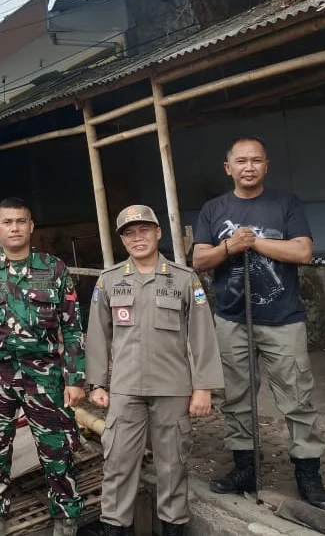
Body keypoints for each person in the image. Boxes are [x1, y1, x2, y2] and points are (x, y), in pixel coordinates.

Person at [192, 137, 325, 512]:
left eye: (256, 160)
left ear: (266, 165)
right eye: (241, 161)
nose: (249, 167)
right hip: (230, 318)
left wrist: (252, 244)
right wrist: (228, 249)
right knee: (237, 397)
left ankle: (308, 474)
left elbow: (302, 251)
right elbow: (200, 260)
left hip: (282, 318)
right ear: (229, 168)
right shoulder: (212, 209)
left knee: (297, 397)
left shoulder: (285, 203)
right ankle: (245, 470)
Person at [89, 205, 224, 536]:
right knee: (118, 465)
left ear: (158, 232)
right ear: (122, 240)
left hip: (173, 388)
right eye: (130, 233)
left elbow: (202, 334)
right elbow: (97, 335)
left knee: (172, 465)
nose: (138, 238)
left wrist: (203, 387)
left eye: (144, 230)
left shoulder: (183, 278)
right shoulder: (109, 281)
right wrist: (96, 384)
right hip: (124, 389)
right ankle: (116, 528)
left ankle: (173, 527)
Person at [0, 197, 87, 536]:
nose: (14, 228)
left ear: (31, 227)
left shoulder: (54, 269)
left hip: (44, 376)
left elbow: (72, 327)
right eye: (8, 222)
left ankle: (65, 516)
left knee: (57, 447)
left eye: (21, 221)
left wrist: (75, 379)